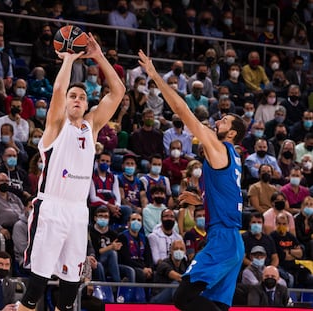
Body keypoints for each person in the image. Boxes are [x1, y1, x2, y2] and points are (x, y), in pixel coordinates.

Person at [19, 32, 125, 311]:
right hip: (51, 206)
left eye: (82, 96)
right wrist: (68, 59)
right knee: (36, 286)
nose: (77, 99)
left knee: (69, 288)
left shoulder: (92, 127)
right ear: (65, 103)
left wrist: (98, 56)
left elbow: (118, 93)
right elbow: (56, 92)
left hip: (78, 211)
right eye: (72, 96)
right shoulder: (55, 126)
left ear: (87, 104)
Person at [139, 50, 246, 311]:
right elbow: (226, 193)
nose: (218, 121)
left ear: (231, 132)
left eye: (223, 120)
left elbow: (180, 109)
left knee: (182, 298)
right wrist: (201, 199)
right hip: (231, 240)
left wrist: (155, 75)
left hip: (222, 239)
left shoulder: (219, 148)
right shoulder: (231, 157)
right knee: (214, 305)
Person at [150, 240, 189, 304]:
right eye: (176, 249)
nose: (179, 251)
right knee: (175, 284)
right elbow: (178, 277)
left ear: (185, 251)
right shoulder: (163, 264)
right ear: (171, 251)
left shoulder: (185, 264)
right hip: (158, 298)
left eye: (181, 249)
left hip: (174, 297)